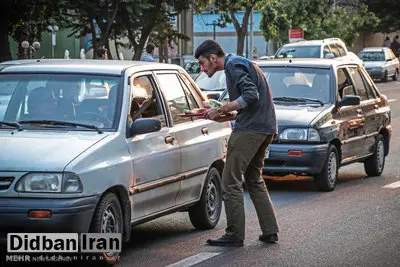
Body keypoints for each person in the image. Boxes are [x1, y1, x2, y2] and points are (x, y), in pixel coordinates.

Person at [195, 40, 279, 247]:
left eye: (202, 63)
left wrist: (221, 109)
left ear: (213, 58)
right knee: (253, 178)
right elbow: (252, 103)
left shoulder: (233, 65)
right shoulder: (240, 63)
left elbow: (251, 95)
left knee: (229, 180)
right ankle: (270, 231)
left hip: (250, 131)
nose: (202, 68)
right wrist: (228, 116)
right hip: (265, 128)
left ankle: (234, 234)